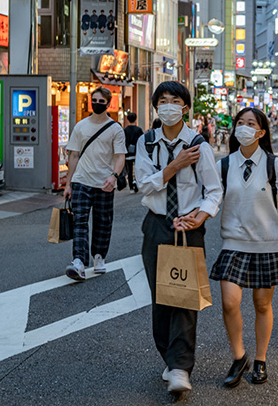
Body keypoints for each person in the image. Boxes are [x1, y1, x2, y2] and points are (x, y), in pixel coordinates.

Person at [135, 81, 223, 395]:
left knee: (184, 298)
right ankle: (169, 358)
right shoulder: (146, 142)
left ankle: (181, 366)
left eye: (175, 101)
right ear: (156, 107)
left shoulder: (199, 144)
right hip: (157, 225)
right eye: (163, 101)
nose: (168, 106)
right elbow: (144, 185)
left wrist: (203, 214)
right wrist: (173, 167)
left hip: (188, 226)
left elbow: (213, 190)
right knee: (161, 297)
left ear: (185, 107)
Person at [210, 108, 278, 387]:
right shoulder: (224, 165)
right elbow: (212, 199)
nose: (244, 127)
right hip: (233, 244)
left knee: (262, 304)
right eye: (240, 123)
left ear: (261, 132)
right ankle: (239, 357)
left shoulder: (276, 166)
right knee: (229, 302)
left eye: (251, 124)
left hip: (269, 244)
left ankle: (260, 358)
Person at [63, 87, 127, 281]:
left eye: (101, 101)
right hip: (81, 181)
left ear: (108, 104)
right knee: (79, 221)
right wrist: (68, 184)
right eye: (95, 100)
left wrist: (114, 176)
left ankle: (99, 257)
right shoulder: (80, 127)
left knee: (103, 222)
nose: (97, 103)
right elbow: (73, 156)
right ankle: (79, 262)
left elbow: (120, 156)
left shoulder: (115, 129)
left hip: (104, 183)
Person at [124, 112, 144, 193]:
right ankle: (136, 181)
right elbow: (142, 140)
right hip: (137, 152)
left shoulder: (125, 130)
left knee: (129, 170)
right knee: (137, 168)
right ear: (135, 119)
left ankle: (131, 187)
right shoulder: (138, 130)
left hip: (128, 153)